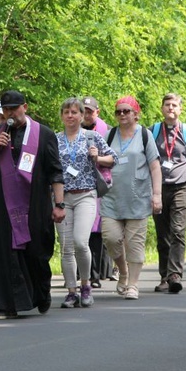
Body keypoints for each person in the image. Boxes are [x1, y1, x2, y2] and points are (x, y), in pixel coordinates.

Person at [0, 90, 65, 319]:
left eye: (14, 108)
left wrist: (59, 204)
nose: (10, 113)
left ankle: (41, 292)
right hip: (2, 204)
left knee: (36, 253)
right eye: (6, 110)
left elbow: (55, 172)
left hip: (34, 204)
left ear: (25, 106)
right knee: (4, 253)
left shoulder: (44, 134)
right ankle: (7, 305)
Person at [56, 97, 117, 308]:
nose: (70, 116)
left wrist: (98, 157)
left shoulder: (92, 137)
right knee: (65, 247)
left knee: (81, 242)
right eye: (67, 112)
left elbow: (113, 159)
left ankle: (85, 285)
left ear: (82, 116)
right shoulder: (54, 140)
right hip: (62, 197)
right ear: (62, 116)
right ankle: (71, 291)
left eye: (75, 112)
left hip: (86, 195)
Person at [101, 96, 162, 300]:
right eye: (119, 111)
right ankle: (123, 272)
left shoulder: (145, 135)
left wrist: (157, 195)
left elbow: (155, 166)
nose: (122, 115)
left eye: (127, 111)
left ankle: (133, 284)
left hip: (138, 198)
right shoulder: (109, 135)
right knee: (110, 238)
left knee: (134, 243)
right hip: (112, 198)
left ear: (136, 114)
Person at [151, 93, 186, 294]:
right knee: (162, 233)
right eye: (167, 105)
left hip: (182, 185)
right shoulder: (154, 131)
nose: (170, 108)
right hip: (158, 187)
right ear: (162, 108)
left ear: (180, 109)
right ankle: (164, 275)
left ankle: (175, 275)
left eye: (174, 105)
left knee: (178, 230)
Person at [81, 95, 115, 287]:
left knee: (98, 233)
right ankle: (85, 274)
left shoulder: (107, 132)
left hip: (103, 185)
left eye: (90, 111)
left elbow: (115, 157)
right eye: (83, 111)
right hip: (79, 186)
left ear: (97, 112)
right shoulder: (73, 131)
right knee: (83, 232)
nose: (86, 115)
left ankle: (97, 274)